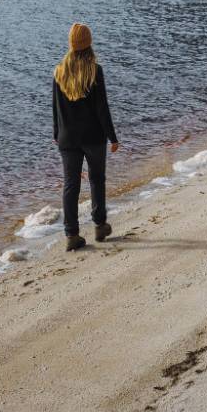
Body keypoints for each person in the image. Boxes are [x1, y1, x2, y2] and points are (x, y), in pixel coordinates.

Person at [52, 22, 119, 251]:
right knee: (96, 179)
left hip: (67, 138)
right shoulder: (94, 70)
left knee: (71, 185)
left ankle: (71, 234)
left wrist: (56, 133)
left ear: (71, 43)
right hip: (93, 137)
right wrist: (113, 137)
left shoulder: (60, 70)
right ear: (88, 42)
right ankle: (100, 225)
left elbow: (55, 107)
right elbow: (102, 108)